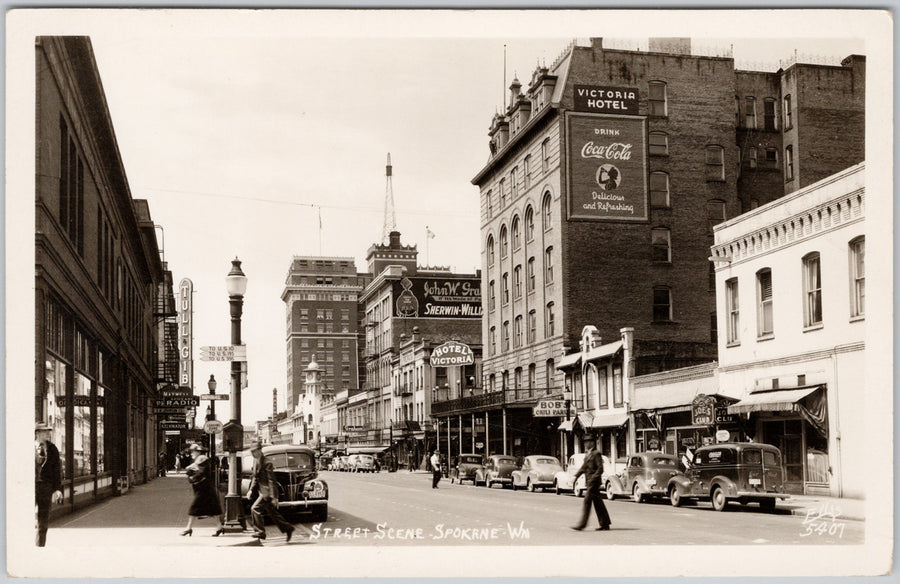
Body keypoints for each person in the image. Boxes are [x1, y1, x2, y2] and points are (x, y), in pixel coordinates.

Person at [247, 440, 294, 542]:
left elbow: (271, 480)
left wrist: (274, 497)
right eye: (251, 451)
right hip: (261, 491)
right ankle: (288, 528)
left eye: (254, 451)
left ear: (259, 450)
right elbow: (255, 477)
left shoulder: (267, 463)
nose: (252, 453)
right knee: (273, 514)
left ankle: (260, 532)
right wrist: (250, 490)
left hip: (267, 492)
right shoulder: (256, 461)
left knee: (255, 508)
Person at [180, 443, 225, 537]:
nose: (191, 453)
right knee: (213, 509)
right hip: (205, 488)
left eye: (193, 451)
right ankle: (219, 527)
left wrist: (190, 473)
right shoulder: (199, 459)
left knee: (194, 507)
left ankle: (188, 528)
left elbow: (195, 470)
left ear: (198, 451)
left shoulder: (201, 458)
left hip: (203, 489)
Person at [571, 438, 612, 531]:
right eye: (585, 442)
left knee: (587, 502)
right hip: (589, 482)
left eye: (587, 442)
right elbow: (583, 467)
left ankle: (582, 524)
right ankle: (605, 523)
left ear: (592, 443)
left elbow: (600, 469)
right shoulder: (588, 454)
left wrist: (593, 479)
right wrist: (575, 476)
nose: (585, 444)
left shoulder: (596, 453)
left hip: (594, 483)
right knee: (598, 503)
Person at [35, 425, 62, 547]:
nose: (48, 434)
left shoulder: (52, 449)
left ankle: (40, 546)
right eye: (45, 432)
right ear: (38, 433)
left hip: (45, 487)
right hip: (28, 487)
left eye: (48, 432)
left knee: (43, 521)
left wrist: (57, 489)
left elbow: (57, 471)